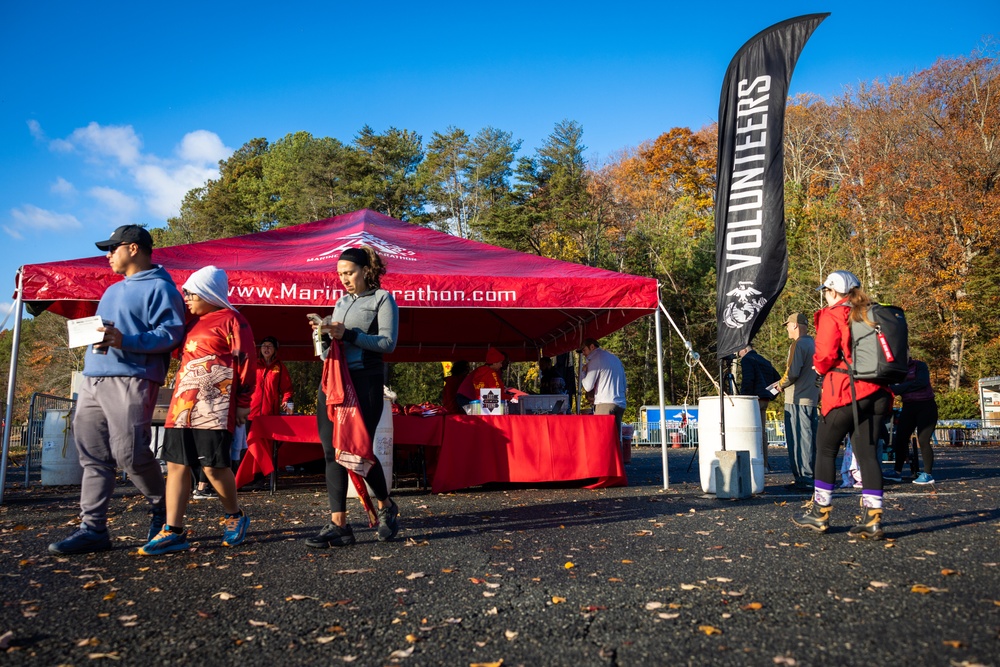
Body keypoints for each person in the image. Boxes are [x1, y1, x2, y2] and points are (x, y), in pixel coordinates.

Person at [49, 225, 186, 555]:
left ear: (134, 248)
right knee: (93, 457)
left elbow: (172, 334)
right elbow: (105, 331)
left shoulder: (162, 289)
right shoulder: (112, 291)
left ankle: (164, 515)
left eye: (113, 248)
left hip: (132, 377)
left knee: (131, 453)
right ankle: (92, 529)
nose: (108, 255)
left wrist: (127, 341)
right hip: (93, 378)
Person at [138, 266, 256, 555]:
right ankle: (173, 530)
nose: (186, 297)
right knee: (177, 465)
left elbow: (247, 359)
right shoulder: (190, 324)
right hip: (182, 406)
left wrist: (243, 401)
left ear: (208, 293)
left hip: (216, 406)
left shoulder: (233, 320)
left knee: (214, 467)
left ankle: (234, 516)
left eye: (190, 292)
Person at [307, 246, 400, 548]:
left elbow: (388, 343)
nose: (344, 280)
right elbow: (331, 348)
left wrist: (347, 334)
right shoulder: (340, 302)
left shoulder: (382, 298)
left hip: (365, 382)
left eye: (349, 273)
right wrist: (322, 335)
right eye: (340, 275)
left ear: (365, 271)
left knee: (359, 452)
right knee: (332, 451)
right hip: (334, 382)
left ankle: (385, 505)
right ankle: (339, 526)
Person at [793, 270, 893, 540]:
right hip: (878, 391)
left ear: (835, 292)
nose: (825, 296)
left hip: (846, 391)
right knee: (868, 454)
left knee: (825, 449)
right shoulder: (872, 313)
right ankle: (873, 519)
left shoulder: (833, 314)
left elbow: (825, 355)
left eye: (826, 291)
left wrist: (820, 365)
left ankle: (820, 513)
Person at [777, 313, 820, 491]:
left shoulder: (798, 344)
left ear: (795, 325)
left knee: (798, 439)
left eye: (788, 325)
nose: (787, 328)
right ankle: (812, 476)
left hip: (797, 399)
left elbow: (792, 372)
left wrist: (779, 385)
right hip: (812, 398)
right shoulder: (815, 343)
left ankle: (804, 478)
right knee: (810, 439)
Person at [885, 355, 938, 485]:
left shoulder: (920, 365)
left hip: (926, 406)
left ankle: (928, 474)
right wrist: (909, 385)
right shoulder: (896, 369)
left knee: (923, 440)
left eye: (905, 350)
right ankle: (897, 472)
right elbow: (891, 387)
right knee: (901, 438)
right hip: (908, 406)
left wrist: (900, 387)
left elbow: (922, 382)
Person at [579, 338, 627, 456]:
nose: (583, 353)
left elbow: (587, 386)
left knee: (602, 439)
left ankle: (604, 470)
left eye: (583, 350)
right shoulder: (615, 359)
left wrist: (583, 372)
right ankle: (617, 469)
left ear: (592, 347)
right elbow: (624, 384)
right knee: (616, 439)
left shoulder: (595, 359)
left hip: (605, 403)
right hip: (619, 402)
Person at [736, 344, 781, 470]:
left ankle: (753, 464)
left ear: (745, 349)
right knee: (762, 433)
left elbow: (748, 380)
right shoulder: (764, 360)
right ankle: (764, 464)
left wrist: (743, 399)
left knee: (751, 432)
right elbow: (778, 379)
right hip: (764, 399)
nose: (739, 355)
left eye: (739, 352)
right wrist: (770, 394)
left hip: (753, 400)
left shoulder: (747, 360)